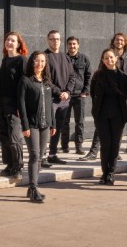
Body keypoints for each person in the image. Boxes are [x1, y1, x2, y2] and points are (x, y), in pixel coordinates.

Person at [81, 33, 127, 161]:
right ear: (113, 42)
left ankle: (115, 152)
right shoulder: (108, 56)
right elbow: (98, 76)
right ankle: (93, 151)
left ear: (125, 42)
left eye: (121, 40)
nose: (119, 42)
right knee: (100, 127)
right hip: (106, 100)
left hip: (122, 100)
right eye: (117, 40)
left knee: (117, 128)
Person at [18, 51, 56, 202]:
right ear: (32, 62)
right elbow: (21, 105)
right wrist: (25, 126)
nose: (39, 64)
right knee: (34, 155)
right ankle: (34, 188)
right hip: (32, 124)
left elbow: (50, 104)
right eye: (37, 61)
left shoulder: (46, 81)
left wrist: (53, 123)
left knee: (40, 156)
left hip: (45, 125)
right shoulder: (26, 80)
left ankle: (33, 186)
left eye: (42, 61)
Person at [91, 49, 127, 186]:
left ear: (116, 58)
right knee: (105, 144)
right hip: (101, 115)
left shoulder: (124, 78)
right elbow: (93, 94)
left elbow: (125, 95)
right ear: (102, 60)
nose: (109, 60)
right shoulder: (97, 76)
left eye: (111, 57)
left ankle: (111, 173)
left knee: (115, 145)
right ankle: (104, 173)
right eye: (106, 58)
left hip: (118, 116)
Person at [0, 31, 27, 180]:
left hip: (14, 104)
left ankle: (18, 166)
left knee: (14, 137)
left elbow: (24, 85)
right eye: (8, 40)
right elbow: (6, 80)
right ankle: (9, 164)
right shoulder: (5, 60)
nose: (9, 43)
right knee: (4, 136)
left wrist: (22, 107)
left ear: (18, 44)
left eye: (13, 41)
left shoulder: (22, 60)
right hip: (1, 103)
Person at [44, 30, 76, 166]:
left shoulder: (65, 57)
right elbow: (45, 79)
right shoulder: (44, 56)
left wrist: (68, 92)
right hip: (51, 99)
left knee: (57, 127)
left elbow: (72, 77)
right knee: (47, 128)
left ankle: (52, 154)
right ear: (47, 40)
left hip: (65, 99)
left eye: (57, 39)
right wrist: (59, 92)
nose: (55, 41)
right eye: (52, 39)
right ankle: (42, 156)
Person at [65, 36, 91, 155]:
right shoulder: (63, 58)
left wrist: (85, 91)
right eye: (70, 44)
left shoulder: (84, 58)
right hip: (66, 95)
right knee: (64, 122)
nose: (72, 46)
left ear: (78, 45)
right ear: (67, 45)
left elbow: (88, 76)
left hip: (80, 95)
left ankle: (79, 146)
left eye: (74, 44)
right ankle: (64, 146)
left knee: (79, 122)